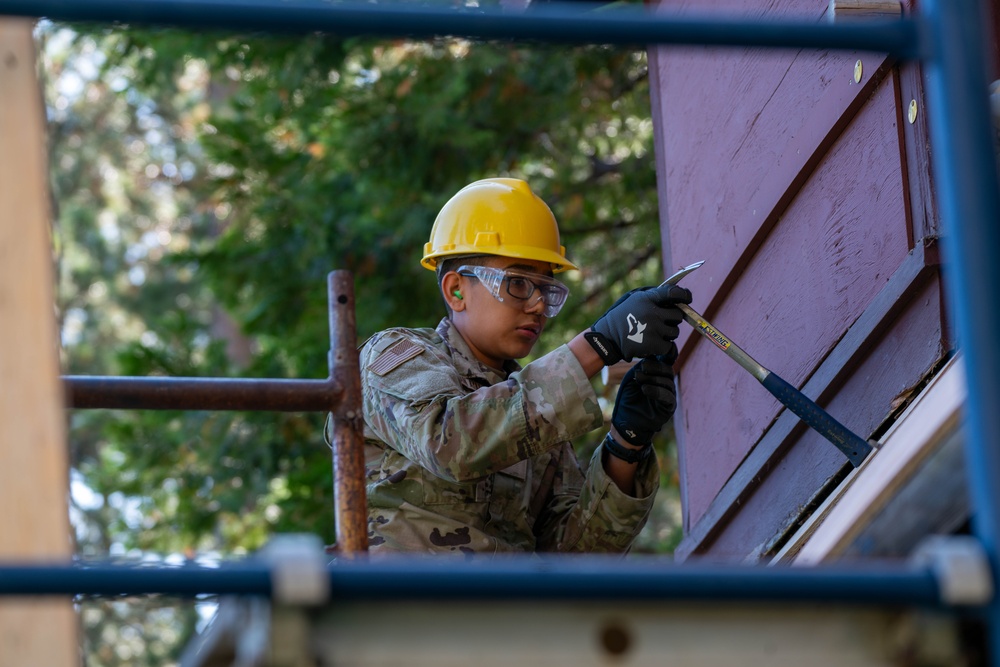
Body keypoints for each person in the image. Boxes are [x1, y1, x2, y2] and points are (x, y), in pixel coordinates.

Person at [358, 177, 692, 555]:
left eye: (547, 289)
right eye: (517, 282)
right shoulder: (396, 353)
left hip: (509, 613)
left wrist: (626, 445)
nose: (537, 305)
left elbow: (574, 559)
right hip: (396, 607)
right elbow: (447, 444)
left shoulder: (541, 414)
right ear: (455, 290)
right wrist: (598, 345)